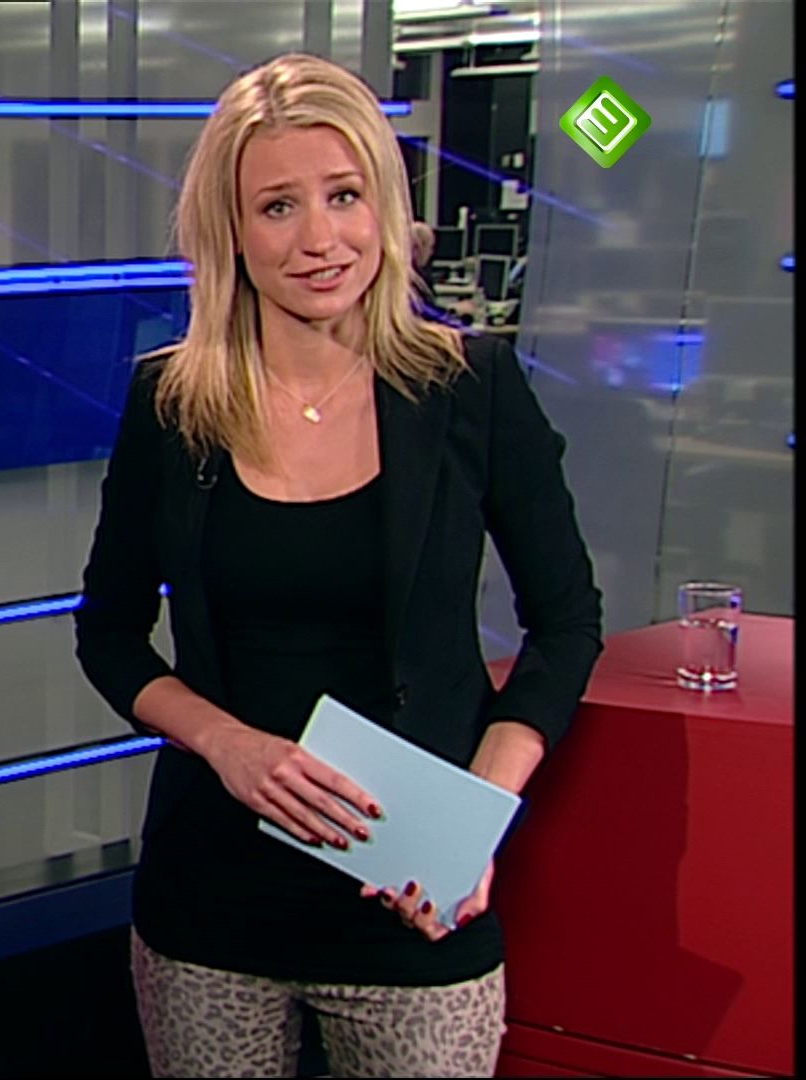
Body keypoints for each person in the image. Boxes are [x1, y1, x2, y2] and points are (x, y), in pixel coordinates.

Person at [73, 52, 602, 1078]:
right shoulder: (172, 404)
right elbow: (109, 632)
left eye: (345, 195)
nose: (320, 239)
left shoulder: (472, 387)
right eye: (278, 206)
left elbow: (568, 622)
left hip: (411, 898)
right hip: (214, 904)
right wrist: (227, 745)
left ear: (385, 205)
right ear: (231, 231)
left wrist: (475, 820)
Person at [409, 220, 441, 315]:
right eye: (430, 247)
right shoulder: (409, 280)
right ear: (418, 247)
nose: (431, 253)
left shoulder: (418, 275)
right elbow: (426, 313)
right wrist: (453, 310)